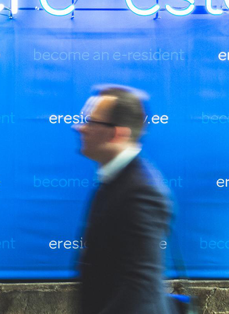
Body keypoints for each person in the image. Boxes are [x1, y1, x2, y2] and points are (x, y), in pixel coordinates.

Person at [74, 85, 173, 314]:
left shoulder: (142, 192)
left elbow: (140, 287)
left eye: (91, 122)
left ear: (117, 133)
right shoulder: (114, 178)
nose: (79, 128)